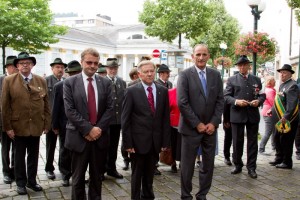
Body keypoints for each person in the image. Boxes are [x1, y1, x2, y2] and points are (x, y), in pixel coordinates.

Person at [63, 48, 113, 199]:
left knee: (97, 177)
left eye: (96, 63)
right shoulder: (70, 82)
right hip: (78, 137)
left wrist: (97, 129)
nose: (92, 66)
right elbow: (70, 110)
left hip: (100, 137)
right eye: (89, 62)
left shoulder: (105, 83)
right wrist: (88, 129)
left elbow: (110, 109)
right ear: (81, 62)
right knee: (77, 178)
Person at [177, 44, 224, 200]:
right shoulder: (184, 75)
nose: (201, 57)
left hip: (210, 129)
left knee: (208, 165)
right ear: (193, 56)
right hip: (191, 129)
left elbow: (220, 101)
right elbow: (182, 102)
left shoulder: (215, 75)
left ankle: (202, 194)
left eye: (204, 54)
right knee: (187, 166)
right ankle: (186, 195)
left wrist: (214, 122)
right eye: (198, 54)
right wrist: (197, 124)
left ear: (208, 56)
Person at [2, 52, 51, 195]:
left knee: (34, 155)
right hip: (18, 126)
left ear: (32, 65)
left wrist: (47, 123)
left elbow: (46, 104)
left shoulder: (41, 80)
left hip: (36, 125)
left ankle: (32, 180)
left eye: (28, 63)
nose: (25, 65)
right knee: (18, 156)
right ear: (17, 66)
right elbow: (4, 106)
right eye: (22, 63)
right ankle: (21, 183)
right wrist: (7, 127)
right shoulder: (9, 81)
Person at [121, 60, 171, 200]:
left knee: (150, 174)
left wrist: (165, 141)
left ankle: (148, 196)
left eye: (152, 71)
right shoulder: (131, 91)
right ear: (139, 74)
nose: (150, 74)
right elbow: (125, 120)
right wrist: (128, 143)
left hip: (155, 142)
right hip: (137, 143)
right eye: (146, 72)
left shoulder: (162, 90)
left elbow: (165, 118)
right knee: (137, 174)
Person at [224, 55, 266, 179]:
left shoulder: (256, 79)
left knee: (252, 142)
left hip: (252, 115)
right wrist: (236, 101)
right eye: (240, 65)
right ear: (238, 66)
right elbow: (226, 96)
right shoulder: (232, 80)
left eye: (245, 65)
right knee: (237, 141)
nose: (242, 67)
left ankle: (251, 167)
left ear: (249, 65)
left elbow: (262, 95)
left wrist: (258, 101)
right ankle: (237, 164)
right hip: (237, 114)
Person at [52, 60, 82, 187]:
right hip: (64, 124)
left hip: (80, 124)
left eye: (77, 72)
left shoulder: (84, 85)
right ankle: (65, 174)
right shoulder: (59, 86)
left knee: (79, 150)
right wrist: (54, 125)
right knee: (65, 150)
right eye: (72, 72)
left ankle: (78, 174)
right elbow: (56, 107)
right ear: (68, 73)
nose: (74, 74)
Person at [269, 64, 299, 169]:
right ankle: (279, 158)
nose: (282, 74)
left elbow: (292, 104)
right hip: (279, 119)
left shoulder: (292, 85)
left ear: (290, 74)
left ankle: (287, 162)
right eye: (281, 72)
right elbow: (279, 101)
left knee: (286, 140)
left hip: (288, 119)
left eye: (284, 72)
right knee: (277, 138)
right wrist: (270, 109)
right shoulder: (283, 84)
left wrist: (286, 117)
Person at [104, 58, 126, 179]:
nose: (113, 70)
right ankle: (102, 169)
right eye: (111, 68)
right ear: (107, 69)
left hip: (118, 120)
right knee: (104, 146)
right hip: (106, 121)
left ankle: (111, 168)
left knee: (114, 146)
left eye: (115, 68)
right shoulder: (102, 81)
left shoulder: (122, 82)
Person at [45, 58, 67, 180]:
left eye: (62, 67)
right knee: (50, 145)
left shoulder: (66, 82)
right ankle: (49, 168)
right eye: (57, 67)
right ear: (52, 68)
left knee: (64, 146)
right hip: (50, 119)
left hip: (62, 119)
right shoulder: (46, 81)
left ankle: (63, 168)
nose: (60, 69)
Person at [0, 55, 18, 184]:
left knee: (17, 148)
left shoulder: (20, 80)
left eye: (15, 66)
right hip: (3, 121)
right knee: (5, 147)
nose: (15, 68)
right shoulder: (1, 80)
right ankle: (6, 171)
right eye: (12, 66)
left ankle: (15, 170)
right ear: (7, 67)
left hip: (18, 121)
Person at [259, 76, 276, 154]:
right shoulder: (271, 91)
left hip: (267, 111)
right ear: (270, 82)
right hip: (269, 112)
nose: (275, 82)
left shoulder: (268, 90)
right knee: (269, 131)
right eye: (273, 81)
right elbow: (273, 102)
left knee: (273, 130)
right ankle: (261, 148)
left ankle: (274, 146)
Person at [168, 78, 181, 173]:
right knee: (172, 144)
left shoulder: (189, 92)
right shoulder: (170, 92)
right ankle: (173, 163)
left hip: (186, 124)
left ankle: (183, 162)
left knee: (183, 145)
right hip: (172, 124)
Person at [223, 101, 233, 166]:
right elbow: (225, 105)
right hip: (229, 118)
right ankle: (227, 156)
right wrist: (226, 120)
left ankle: (236, 157)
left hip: (239, 118)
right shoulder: (228, 91)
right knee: (228, 139)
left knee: (237, 139)